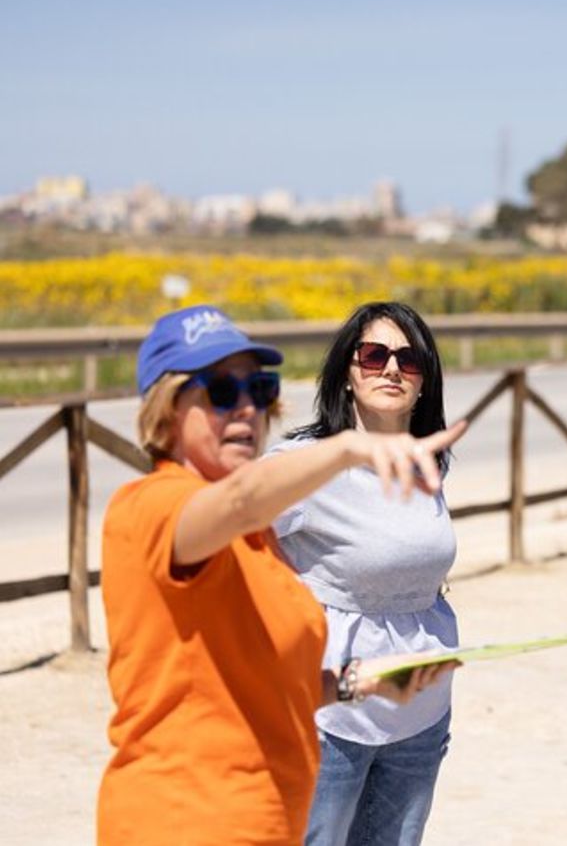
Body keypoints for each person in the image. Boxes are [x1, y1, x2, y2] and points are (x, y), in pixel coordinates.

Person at [97, 305, 464, 846]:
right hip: (182, 817)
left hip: (264, 815)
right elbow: (246, 498)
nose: (245, 408)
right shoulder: (152, 506)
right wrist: (347, 448)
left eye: (259, 389)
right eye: (222, 392)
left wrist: (362, 683)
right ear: (166, 410)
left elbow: (262, 676)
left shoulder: (254, 543)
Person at [269, 302, 458, 845]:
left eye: (409, 359)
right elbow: (224, 536)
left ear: (426, 381)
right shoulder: (307, 462)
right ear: (348, 374)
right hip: (331, 716)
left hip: (421, 712)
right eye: (374, 356)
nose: (392, 369)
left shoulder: (429, 460)